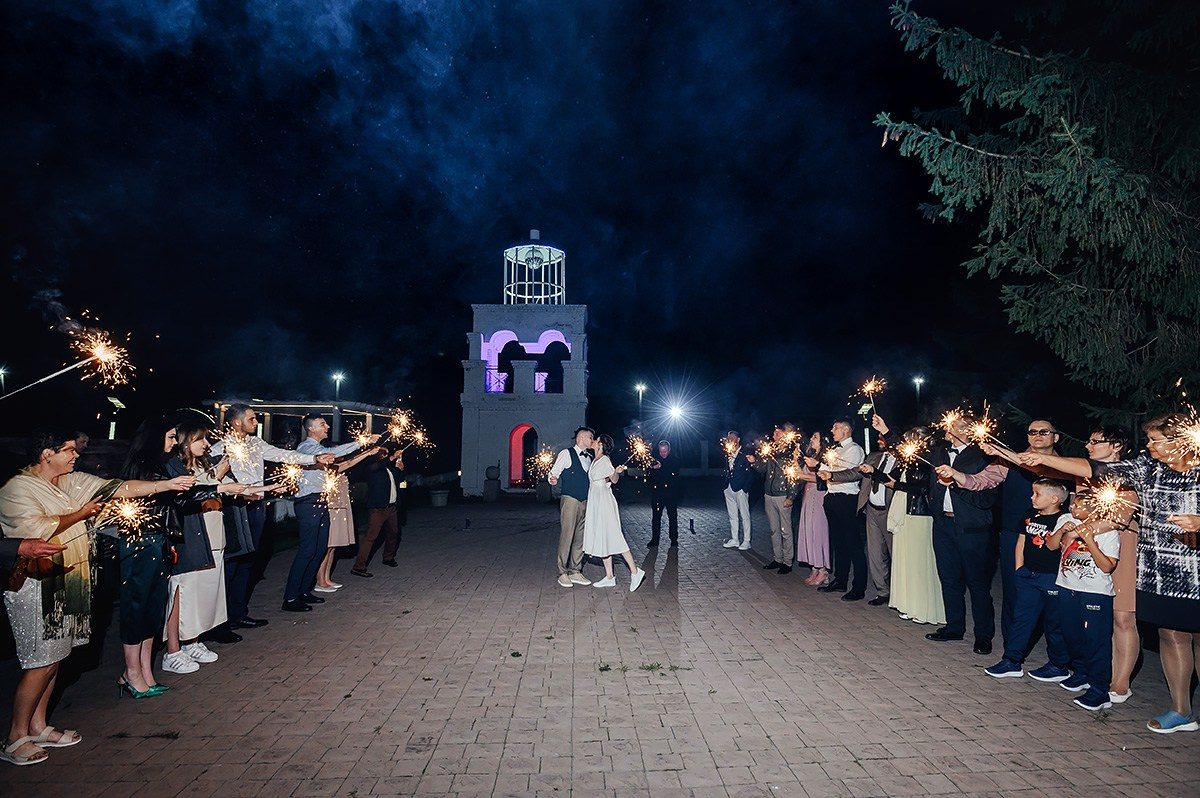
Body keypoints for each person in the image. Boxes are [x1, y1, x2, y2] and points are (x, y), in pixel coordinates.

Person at [0, 429, 193, 766]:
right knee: (39, 663)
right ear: (47, 453)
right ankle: (15, 735)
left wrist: (165, 485)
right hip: (36, 584)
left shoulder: (70, 481)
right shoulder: (18, 488)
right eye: (69, 450)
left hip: (68, 580)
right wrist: (83, 513)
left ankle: (39, 725)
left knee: (55, 659)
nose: (77, 456)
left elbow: (120, 487)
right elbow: (36, 529)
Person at [1018, 413, 1200, 733]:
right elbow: (1098, 469)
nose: (1150, 446)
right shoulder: (1148, 467)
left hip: (1196, 570)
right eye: (1149, 440)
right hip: (1158, 568)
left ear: (1180, 441)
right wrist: (1044, 460)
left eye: (1156, 440)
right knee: (1171, 636)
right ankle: (1181, 710)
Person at [210, 403, 336, 629]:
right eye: (251, 419)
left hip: (257, 507)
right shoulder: (221, 448)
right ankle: (220, 622)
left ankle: (238, 613)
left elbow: (283, 455)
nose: (256, 422)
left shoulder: (256, 444)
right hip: (236, 510)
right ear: (237, 422)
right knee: (232, 564)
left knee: (249, 562)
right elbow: (211, 480)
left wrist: (315, 460)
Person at [161, 423, 259, 674]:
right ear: (185, 442)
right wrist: (221, 472)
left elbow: (231, 488)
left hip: (215, 538)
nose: (206, 445)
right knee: (185, 594)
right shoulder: (177, 468)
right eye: (200, 440)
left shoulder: (205, 464)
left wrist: (266, 489)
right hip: (193, 539)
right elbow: (197, 492)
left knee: (206, 595)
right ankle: (174, 650)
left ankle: (193, 641)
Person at [114, 415, 185, 697]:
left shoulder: (161, 466)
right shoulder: (140, 469)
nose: (174, 442)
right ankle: (130, 672)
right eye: (169, 437)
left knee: (154, 607)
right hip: (139, 542)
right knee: (136, 606)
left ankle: (146, 669)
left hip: (159, 541)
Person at [981, 479, 1074, 682]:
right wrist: (1019, 568)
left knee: (1053, 624)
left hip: (1051, 578)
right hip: (1028, 576)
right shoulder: (1030, 514)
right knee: (1021, 619)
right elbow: (1021, 540)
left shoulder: (1065, 520)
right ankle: (1011, 661)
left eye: (1037, 494)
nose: (1032, 497)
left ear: (1054, 499)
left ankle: (1059, 665)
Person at [283, 415, 374, 611]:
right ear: (311, 429)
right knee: (307, 550)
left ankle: (305, 591)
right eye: (322, 424)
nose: (328, 427)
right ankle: (290, 598)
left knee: (320, 549)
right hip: (309, 503)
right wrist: (361, 442)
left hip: (322, 500)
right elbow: (332, 452)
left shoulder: (318, 449)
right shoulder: (306, 448)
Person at [927, 413, 998, 653]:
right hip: (943, 525)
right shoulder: (940, 452)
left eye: (952, 426)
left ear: (966, 430)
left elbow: (988, 498)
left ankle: (983, 635)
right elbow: (910, 453)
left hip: (972, 529)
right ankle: (954, 627)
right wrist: (885, 431)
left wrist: (955, 483)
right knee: (948, 578)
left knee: (977, 583)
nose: (946, 429)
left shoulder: (982, 456)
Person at [1050, 489, 1122, 711]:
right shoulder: (1065, 520)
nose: (1072, 509)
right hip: (1066, 586)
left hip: (1095, 592)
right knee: (1072, 634)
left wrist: (1089, 539)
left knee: (1096, 640)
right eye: (1073, 505)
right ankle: (1080, 673)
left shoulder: (1108, 530)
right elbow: (1051, 546)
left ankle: (1100, 689)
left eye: (1078, 506)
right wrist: (1063, 531)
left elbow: (1108, 566)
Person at [880, 424, 944, 625]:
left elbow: (924, 488)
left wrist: (887, 431)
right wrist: (873, 472)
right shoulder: (909, 462)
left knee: (919, 563)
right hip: (905, 513)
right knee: (906, 561)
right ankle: (909, 604)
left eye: (909, 440)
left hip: (920, 515)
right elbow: (892, 478)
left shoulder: (927, 460)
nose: (905, 445)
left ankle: (924, 609)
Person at [581, 434, 646, 592]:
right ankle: (609, 577)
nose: (593, 441)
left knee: (615, 537)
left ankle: (636, 572)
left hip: (604, 503)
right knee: (603, 538)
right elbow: (604, 480)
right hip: (597, 502)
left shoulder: (604, 460)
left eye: (596, 440)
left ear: (601, 444)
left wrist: (617, 472)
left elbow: (614, 480)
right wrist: (613, 474)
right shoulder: (596, 460)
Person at [811, 419, 866, 600]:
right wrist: (816, 466)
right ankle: (840, 581)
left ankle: (859, 587)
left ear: (846, 430)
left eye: (835, 427)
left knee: (853, 544)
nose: (832, 430)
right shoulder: (834, 450)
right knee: (838, 543)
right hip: (832, 497)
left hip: (847, 499)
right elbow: (827, 472)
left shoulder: (855, 449)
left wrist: (830, 473)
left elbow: (851, 473)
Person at [315, 445, 378, 590]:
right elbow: (349, 463)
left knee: (332, 548)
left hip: (340, 509)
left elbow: (349, 462)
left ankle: (326, 578)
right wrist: (367, 453)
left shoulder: (336, 466)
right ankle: (320, 581)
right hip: (332, 510)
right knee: (327, 546)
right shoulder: (327, 469)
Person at [856, 418, 900, 605]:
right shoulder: (874, 456)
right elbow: (854, 472)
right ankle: (883, 591)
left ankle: (899, 593)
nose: (879, 440)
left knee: (895, 553)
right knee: (875, 554)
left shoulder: (903, 460)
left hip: (890, 512)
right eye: (879, 437)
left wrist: (874, 471)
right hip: (871, 510)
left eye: (882, 437)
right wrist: (831, 474)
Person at [747, 426, 800, 573]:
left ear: (785, 435)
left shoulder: (791, 453)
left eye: (778, 433)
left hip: (783, 495)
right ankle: (778, 558)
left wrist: (791, 496)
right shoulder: (771, 451)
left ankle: (788, 562)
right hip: (769, 494)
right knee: (774, 529)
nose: (774, 435)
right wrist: (753, 462)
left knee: (786, 530)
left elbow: (793, 476)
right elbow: (763, 469)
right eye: (774, 433)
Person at [547, 426, 595, 588]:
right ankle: (562, 572)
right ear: (580, 438)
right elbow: (554, 472)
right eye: (590, 437)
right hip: (570, 500)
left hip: (585, 501)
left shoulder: (589, 457)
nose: (592, 440)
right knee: (567, 535)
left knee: (581, 536)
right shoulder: (566, 454)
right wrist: (552, 479)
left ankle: (575, 570)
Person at [352, 447, 406, 577]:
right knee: (371, 537)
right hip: (378, 508)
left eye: (387, 453)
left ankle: (388, 557)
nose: (387, 454)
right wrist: (392, 457)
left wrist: (400, 468)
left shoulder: (388, 469)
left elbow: (399, 479)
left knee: (393, 533)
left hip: (391, 507)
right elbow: (378, 466)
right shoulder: (371, 467)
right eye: (384, 453)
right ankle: (358, 567)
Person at [796, 431, 831, 586]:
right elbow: (800, 473)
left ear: (822, 441)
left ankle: (823, 570)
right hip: (808, 496)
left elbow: (820, 478)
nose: (811, 438)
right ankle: (814, 567)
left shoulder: (825, 459)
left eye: (815, 437)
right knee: (808, 531)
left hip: (819, 496)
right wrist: (796, 459)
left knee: (818, 532)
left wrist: (802, 476)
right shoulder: (810, 457)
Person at [720, 431, 754, 550]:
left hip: (740, 489)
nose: (730, 440)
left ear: (738, 439)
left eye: (733, 438)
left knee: (744, 515)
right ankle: (735, 539)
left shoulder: (745, 453)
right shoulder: (727, 452)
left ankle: (746, 541)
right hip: (728, 487)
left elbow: (751, 473)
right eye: (729, 438)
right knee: (732, 515)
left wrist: (745, 489)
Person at [647, 440, 680, 547]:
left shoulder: (674, 460)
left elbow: (674, 474)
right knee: (656, 517)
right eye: (661, 452)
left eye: (665, 451)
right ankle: (655, 540)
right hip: (657, 493)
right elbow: (648, 475)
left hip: (671, 493)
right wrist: (652, 468)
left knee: (672, 516)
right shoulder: (654, 460)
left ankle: (674, 539)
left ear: (668, 450)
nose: (663, 454)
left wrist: (662, 467)